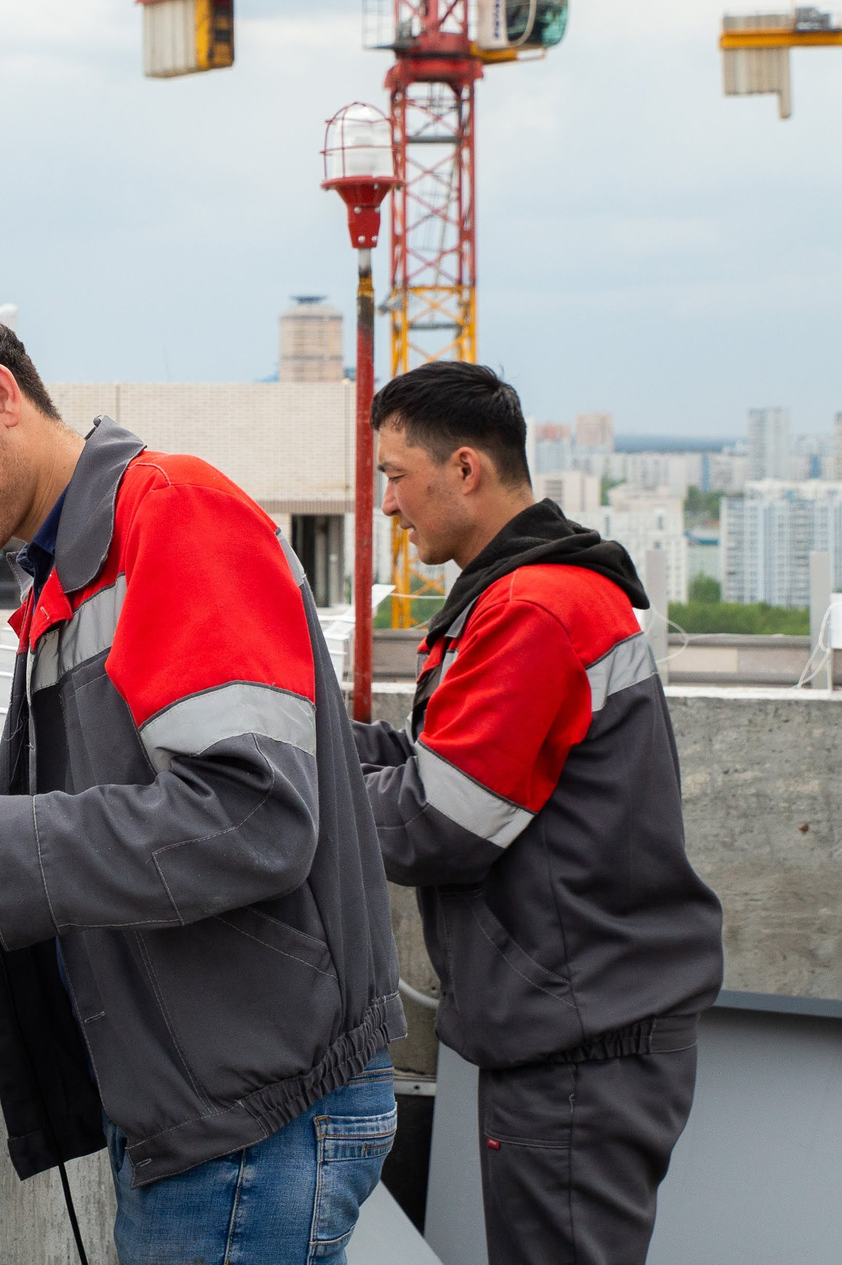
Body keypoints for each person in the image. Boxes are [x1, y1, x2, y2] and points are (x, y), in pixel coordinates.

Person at [0, 292, 404, 1264]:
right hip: (199, 1102)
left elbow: (253, 817)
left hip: (254, 1116)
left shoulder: (173, 516)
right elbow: (114, 816)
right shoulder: (68, 575)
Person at [354, 360, 723, 1265]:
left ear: (465, 469)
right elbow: (443, 768)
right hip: (577, 1028)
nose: (389, 505)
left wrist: (292, 790)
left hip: (580, 1043)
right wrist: (306, 736)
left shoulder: (534, 608)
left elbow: (438, 824)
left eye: (396, 476)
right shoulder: (532, 591)